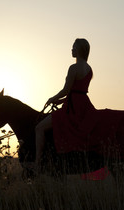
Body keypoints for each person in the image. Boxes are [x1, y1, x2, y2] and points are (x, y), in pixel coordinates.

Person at [35, 38, 98, 167]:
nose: (72, 49)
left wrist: (52, 98)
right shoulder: (89, 69)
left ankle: (38, 163)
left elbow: (66, 90)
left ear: (79, 49)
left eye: (74, 47)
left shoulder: (73, 68)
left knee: (39, 128)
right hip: (83, 105)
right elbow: (78, 92)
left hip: (73, 108)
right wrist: (61, 100)